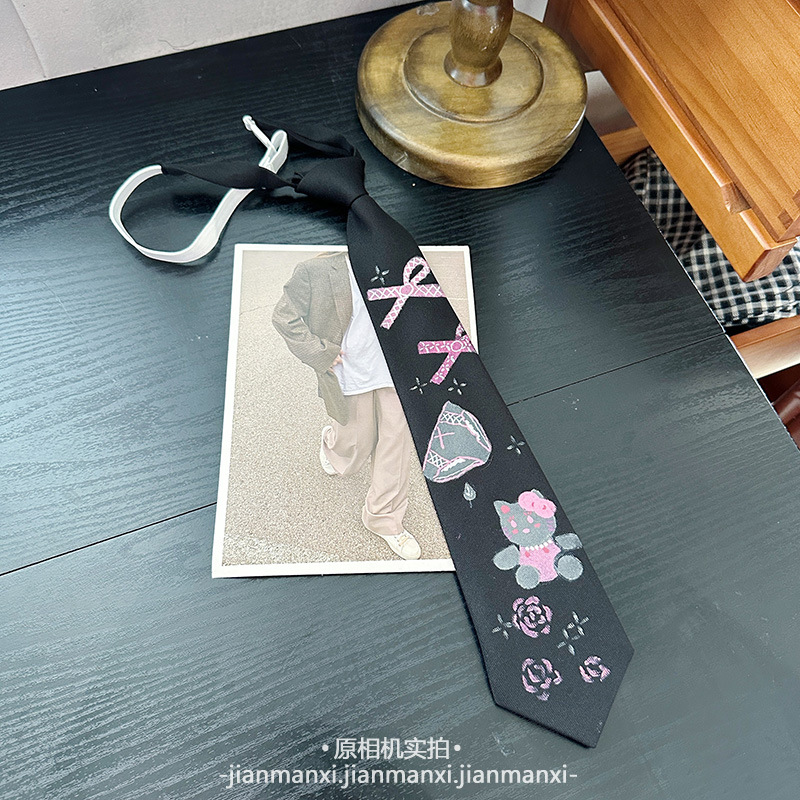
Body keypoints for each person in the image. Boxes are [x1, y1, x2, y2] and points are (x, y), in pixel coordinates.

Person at [272, 251, 421, 560]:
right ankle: (332, 444)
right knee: (356, 442)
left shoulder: (401, 257)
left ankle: (384, 518)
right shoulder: (315, 269)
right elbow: (284, 316)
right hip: (349, 369)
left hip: (397, 367)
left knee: (395, 442)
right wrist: (319, 352)